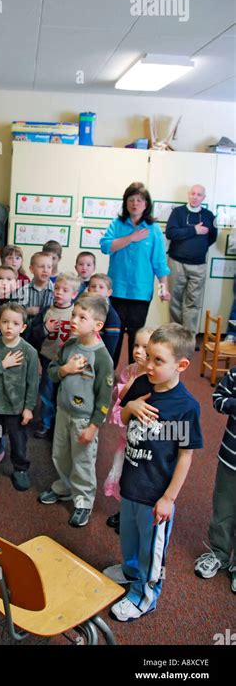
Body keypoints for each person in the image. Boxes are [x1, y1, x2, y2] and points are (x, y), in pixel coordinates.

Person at [104, 324, 203, 621]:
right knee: (130, 540)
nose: (148, 364)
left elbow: (185, 456)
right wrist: (131, 406)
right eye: (147, 356)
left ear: (181, 365)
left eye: (158, 360)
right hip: (131, 483)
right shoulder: (141, 383)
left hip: (155, 494)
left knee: (152, 550)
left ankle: (144, 596)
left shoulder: (185, 406)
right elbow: (119, 418)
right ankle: (130, 570)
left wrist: (169, 498)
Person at [38, 294, 114, 527]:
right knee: (60, 453)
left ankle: (83, 501)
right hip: (63, 411)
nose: (74, 320)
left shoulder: (102, 358)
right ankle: (64, 487)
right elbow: (51, 373)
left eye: (82, 317)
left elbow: (104, 397)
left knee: (82, 461)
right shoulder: (69, 346)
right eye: (73, 315)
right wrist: (65, 369)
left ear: (97, 325)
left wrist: (94, 426)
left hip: (84, 419)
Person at [100, 182, 170, 367]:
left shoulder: (153, 230)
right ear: (125, 202)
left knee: (137, 336)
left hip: (140, 292)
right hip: (116, 291)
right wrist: (131, 238)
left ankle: (134, 373)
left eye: (140, 200)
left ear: (146, 204)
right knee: (113, 334)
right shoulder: (117, 224)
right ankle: (109, 372)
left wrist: (163, 288)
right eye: (131, 199)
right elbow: (106, 246)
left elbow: (160, 264)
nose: (135, 203)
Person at [0, 303, 39, 490]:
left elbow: (32, 383)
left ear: (23, 327)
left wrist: (28, 408)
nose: (9, 327)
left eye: (15, 323)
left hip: (17, 410)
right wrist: (3, 364)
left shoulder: (29, 352)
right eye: (5, 322)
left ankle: (20, 469)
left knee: (18, 441)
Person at [104, 326, 154, 533]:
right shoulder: (129, 371)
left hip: (147, 440)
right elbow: (120, 400)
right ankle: (124, 512)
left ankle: (137, 517)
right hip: (127, 437)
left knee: (142, 479)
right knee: (125, 475)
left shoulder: (155, 376)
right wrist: (131, 382)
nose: (138, 351)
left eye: (145, 348)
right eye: (136, 345)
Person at [194, 366, 236, 594]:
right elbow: (219, 398)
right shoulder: (235, 374)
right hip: (231, 458)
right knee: (223, 509)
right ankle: (219, 552)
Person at [29, 273, 80, 439]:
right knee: (47, 391)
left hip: (69, 361)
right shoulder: (47, 311)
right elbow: (32, 335)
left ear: (73, 294)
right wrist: (45, 328)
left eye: (65, 290)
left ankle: (61, 424)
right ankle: (45, 422)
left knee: (65, 392)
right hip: (49, 359)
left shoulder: (76, 313)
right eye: (57, 288)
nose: (59, 292)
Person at [166, 185, 217, 338]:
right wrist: (194, 230)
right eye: (193, 194)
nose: (195, 197)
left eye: (199, 194)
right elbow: (171, 233)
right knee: (175, 301)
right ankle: (175, 337)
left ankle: (188, 338)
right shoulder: (177, 213)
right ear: (188, 195)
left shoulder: (209, 216)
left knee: (193, 303)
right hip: (177, 263)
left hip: (199, 265)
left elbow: (212, 237)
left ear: (204, 197)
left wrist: (197, 248)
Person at [87, 273, 121, 359]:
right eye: (93, 286)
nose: (96, 290)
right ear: (88, 289)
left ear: (108, 292)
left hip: (99, 359)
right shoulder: (84, 308)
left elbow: (110, 347)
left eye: (101, 287)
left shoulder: (111, 316)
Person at [12, 251, 54, 322]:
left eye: (49, 267)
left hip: (49, 330)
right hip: (27, 330)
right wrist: (26, 311)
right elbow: (14, 313)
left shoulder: (56, 291)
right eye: (41, 266)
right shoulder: (22, 291)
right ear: (32, 269)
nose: (45, 270)